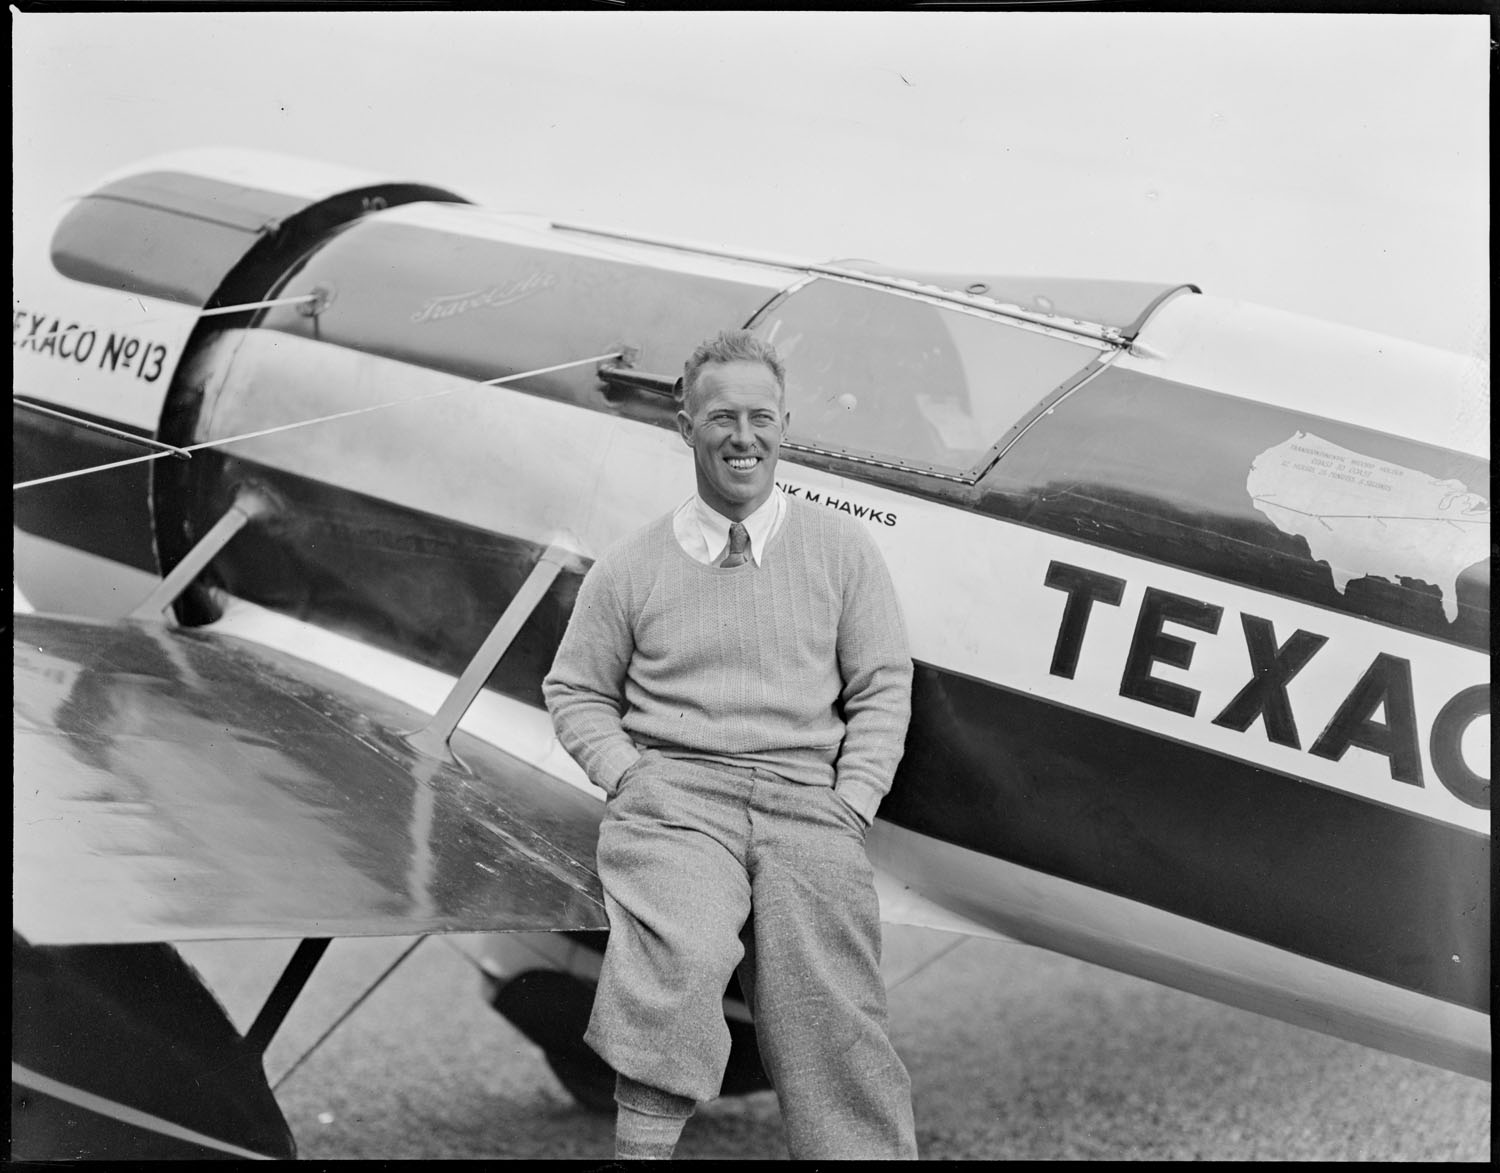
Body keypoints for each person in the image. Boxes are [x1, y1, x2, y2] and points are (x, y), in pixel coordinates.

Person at [542, 329, 917, 1160]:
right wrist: (629, 777)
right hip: (676, 801)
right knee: (683, 957)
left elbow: (885, 684)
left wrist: (851, 800)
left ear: (786, 425)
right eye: (720, 417)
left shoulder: (843, 552)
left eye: (760, 417)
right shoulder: (630, 567)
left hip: (807, 806)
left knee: (832, 1012)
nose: (741, 436)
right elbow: (574, 689)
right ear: (686, 426)